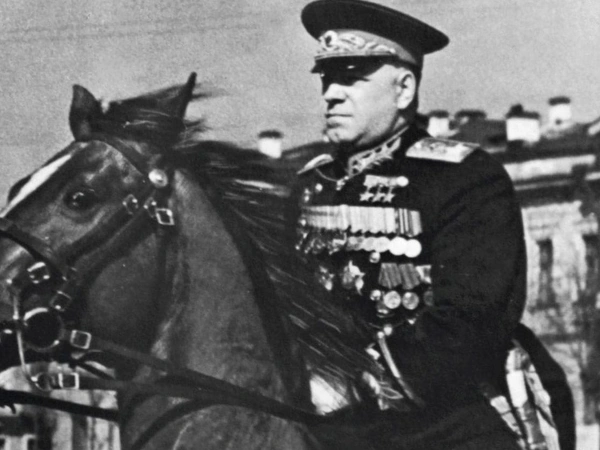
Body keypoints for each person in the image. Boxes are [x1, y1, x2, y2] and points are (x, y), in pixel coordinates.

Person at [291, 1, 569, 448]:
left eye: (350, 78)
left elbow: (471, 320)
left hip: (441, 419)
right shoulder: (309, 185)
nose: (331, 94)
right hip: (327, 423)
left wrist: (357, 382)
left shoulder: (461, 178)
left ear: (404, 89)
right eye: (327, 79)